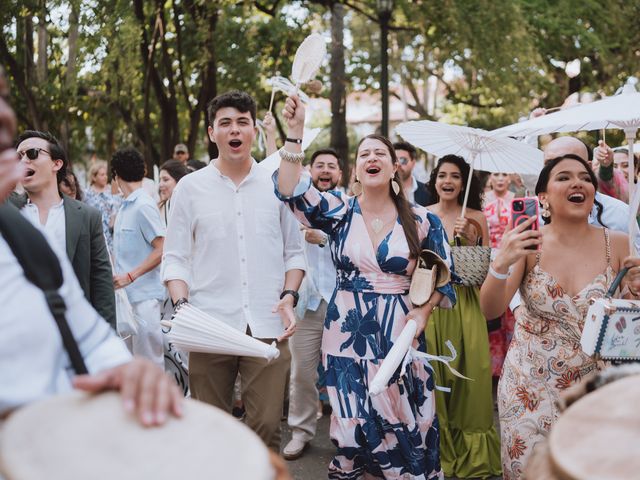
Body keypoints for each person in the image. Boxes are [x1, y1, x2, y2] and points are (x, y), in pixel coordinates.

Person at [276, 94, 456, 479]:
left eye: (380, 153)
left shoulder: (424, 221)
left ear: (395, 167)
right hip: (344, 335)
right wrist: (295, 133)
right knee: (353, 427)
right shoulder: (339, 213)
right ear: (356, 170)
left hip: (399, 334)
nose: (371, 158)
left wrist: (421, 315)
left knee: (402, 423)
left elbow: (445, 276)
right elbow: (290, 189)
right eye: (364, 154)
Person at [0, 67, 182, 427]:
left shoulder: (31, 236)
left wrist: (124, 369)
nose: (6, 112)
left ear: (57, 164)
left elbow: (90, 327)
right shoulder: (15, 214)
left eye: (4, 97)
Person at [479, 153, 640, 479]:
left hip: (592, 390)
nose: (577, 182)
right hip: (527, 389)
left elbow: (629, 325)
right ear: (542, 197)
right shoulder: (528, 244)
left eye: (584, 177)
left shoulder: (620, 244)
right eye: (564, 177)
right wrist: (500, 264)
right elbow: (490, 310)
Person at [162, 90, 305, 451]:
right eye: (225, 123)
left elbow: (294, 252)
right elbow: (175, 257)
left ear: (254, 130)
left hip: (269, 325)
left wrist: (289, 296)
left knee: (267, 426)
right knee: (211, 431)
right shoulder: (190, 189)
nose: (234, 130)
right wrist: (182, 307)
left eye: (242, 122)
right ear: (212, 133)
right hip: (209, 324)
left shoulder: (278, 185)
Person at [424, 155, 501, 478]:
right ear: (435, 180)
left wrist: (470, 239)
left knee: (471, 377)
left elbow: (482, 275)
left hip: (467, 304)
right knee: (435, 378)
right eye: (442, 175)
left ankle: (473, 457)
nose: (448, 181)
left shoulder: (477, 217)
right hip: (431, 304)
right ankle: (439, 452)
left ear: (464, 182)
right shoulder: (422, 215)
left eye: (455, 176)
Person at [13, 130, 116, 328]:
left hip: (73, 331)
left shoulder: (87, 216)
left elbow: (101, 284)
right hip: (17, 333)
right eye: (19, 156)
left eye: (32, 153)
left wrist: (109, 343)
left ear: (56, 163)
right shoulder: (7, 211)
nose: (23, 160)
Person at [283, 148, 342, 461]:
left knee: (344, 372)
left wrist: (325, 238)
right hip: (306, 302)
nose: (325, 170)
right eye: (320, 165)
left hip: (342, 303)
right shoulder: (295, 205)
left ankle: (347, 434)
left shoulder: (348, 206)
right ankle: (301, 432)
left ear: (340, 174)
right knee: (302, 372)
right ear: (310, 171)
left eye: (331, 166)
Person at [111, 147, 166, 367]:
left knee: (149, 365)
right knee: (130, 365)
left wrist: (131, 276)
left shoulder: (143, 205)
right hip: (126, 301)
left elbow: (162, 248)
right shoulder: (125, 206)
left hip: (144, 299)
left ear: (116, 175)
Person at [483, 172, 516, 377]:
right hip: (489, 258)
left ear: (510, 178)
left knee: (511, 313)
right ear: (491, 178)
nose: (501, 178)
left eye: (504, 174)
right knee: (492, 314)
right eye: (497, 174)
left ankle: (510, 365)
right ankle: (493, 369)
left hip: (511, 256)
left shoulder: (517, 198)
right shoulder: (482, 199)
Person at [84, 160, 122, 254]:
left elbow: (119, 206)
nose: (105, 177)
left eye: (105, 174)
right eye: (101, 175)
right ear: (94, 177)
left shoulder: (112, 190)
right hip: (96, 235)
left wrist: (114, 216)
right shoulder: (86, 194)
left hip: (113, 235)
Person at [393, 141, 430, 206]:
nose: (398, 164)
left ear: (413, 163)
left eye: (403, 160)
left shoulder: (428, 191)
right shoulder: (383, 191)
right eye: (394, 160)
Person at [158, 159, 189, 225]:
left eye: (165, 180)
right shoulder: (161, 208)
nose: (160, 185)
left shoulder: (190, 206)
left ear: (179, 181)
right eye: (160, 180)